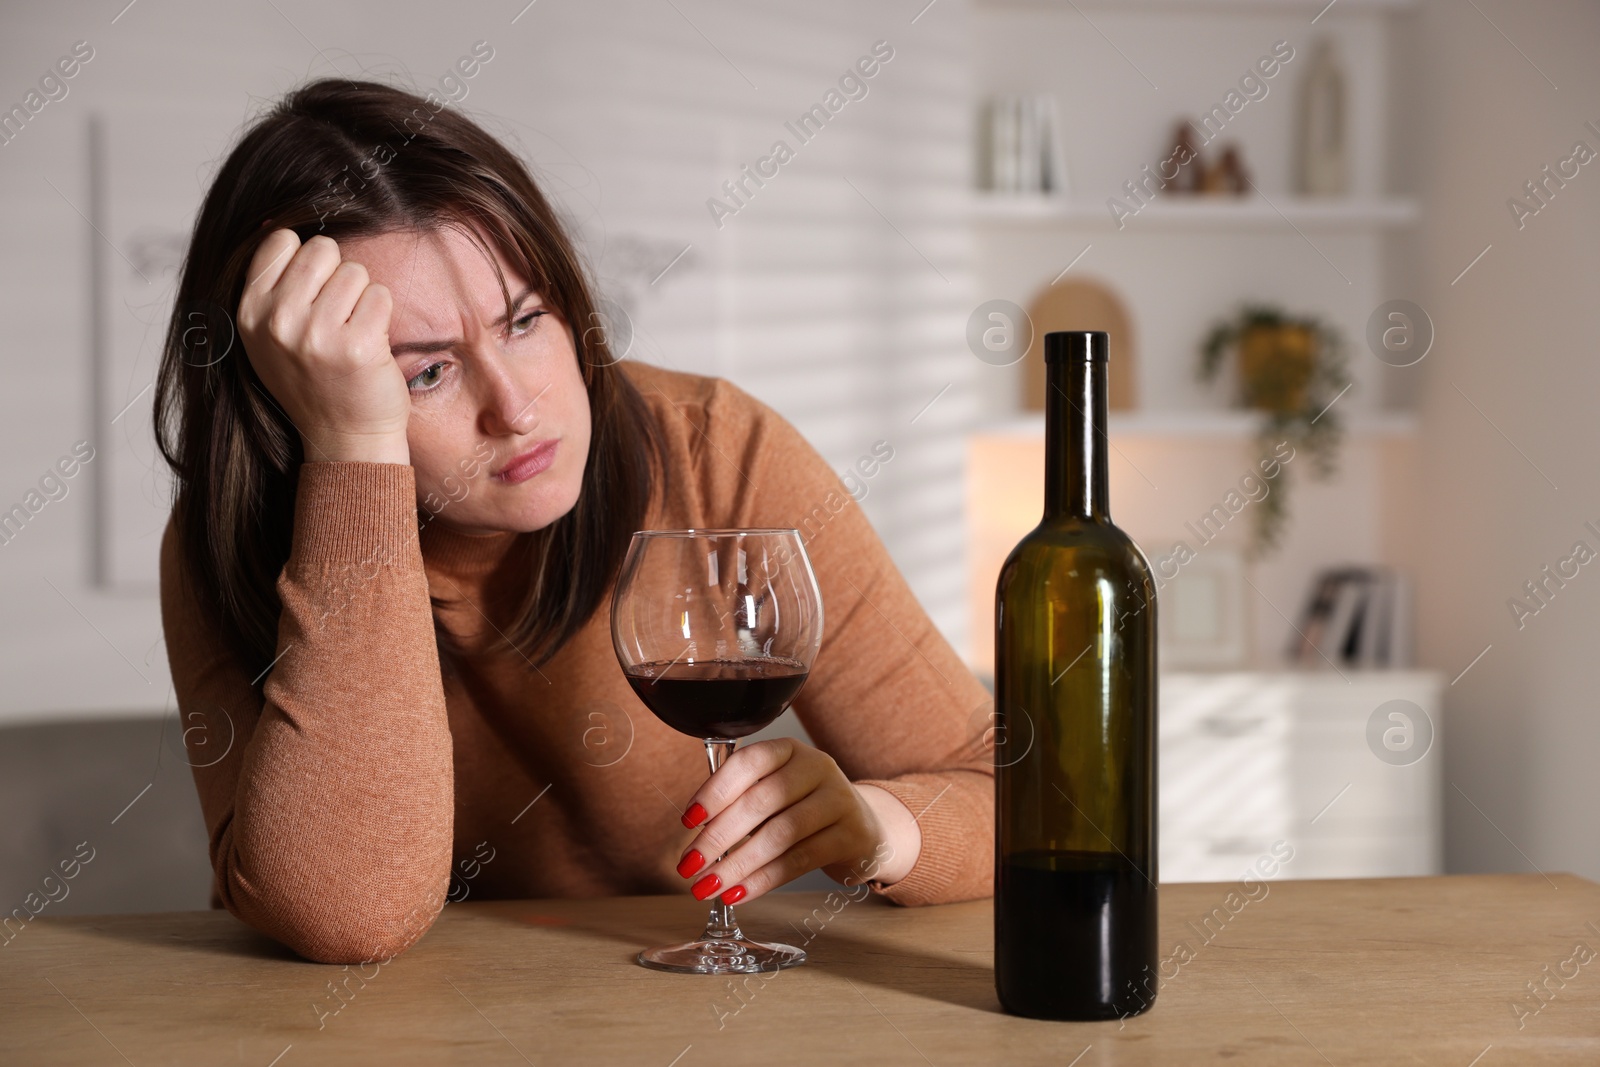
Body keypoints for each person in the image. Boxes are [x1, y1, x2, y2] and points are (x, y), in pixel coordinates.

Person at [154, 77, 992, 965]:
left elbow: (1006, 785)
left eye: (525, 320)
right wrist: (354, 447)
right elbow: (346, 916)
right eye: (425, 373)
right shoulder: (236, 538)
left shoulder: (713, 452)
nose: (516, 408)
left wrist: (877, 829)